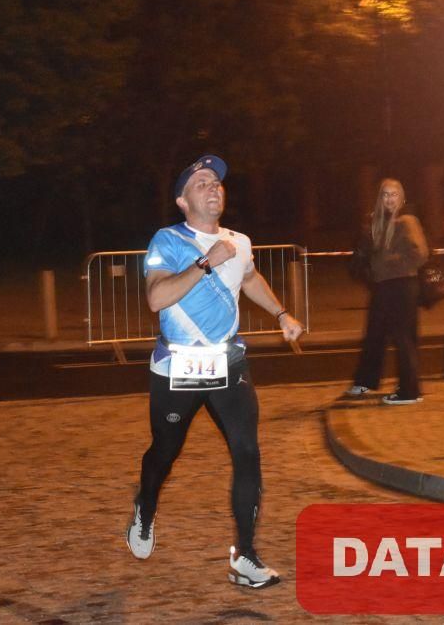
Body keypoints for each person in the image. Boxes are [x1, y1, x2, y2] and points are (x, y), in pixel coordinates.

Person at [125, 154, 303, 589]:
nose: (213, 188)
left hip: (229, 363)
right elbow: (157, 299)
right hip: (178, 366)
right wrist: (205, 262)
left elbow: (249, 279)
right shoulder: (168, 240)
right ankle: (145, 505)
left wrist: (281, 313)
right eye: (201, 183)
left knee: (247, 452)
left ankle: (246, 556)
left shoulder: (239, 242)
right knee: (165, 452)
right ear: (182, 200)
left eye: (216, 182)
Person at [344, 178, 429, 404]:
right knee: (375, 333)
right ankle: (365, 380)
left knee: (403, 338)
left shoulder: (407, 221)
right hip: (383, 286)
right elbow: (370, 253)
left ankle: (410, 391)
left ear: (402, 198)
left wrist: (387, 262)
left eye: (394, 194)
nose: (390, 199)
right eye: (385, 195)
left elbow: (420, 254)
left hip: (402, 286)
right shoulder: (377, 223)